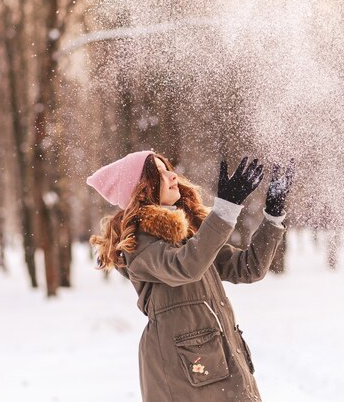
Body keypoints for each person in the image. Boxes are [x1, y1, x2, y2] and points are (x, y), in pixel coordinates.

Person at [87, 150, 294, 402]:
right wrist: (224, 210)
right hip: (183, 376)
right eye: (159, 173)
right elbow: (186, 266)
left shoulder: (190, 235)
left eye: (168, 168)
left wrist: (272, 217)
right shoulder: (138, 243)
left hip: (219, 364)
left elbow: (248, 267)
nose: (172, 175)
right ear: (141, 189)